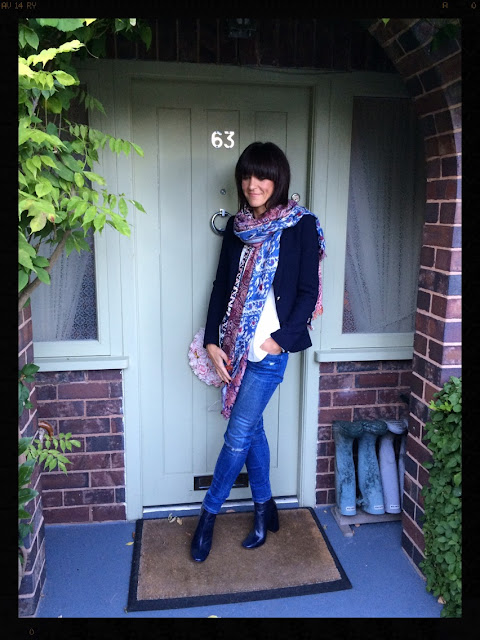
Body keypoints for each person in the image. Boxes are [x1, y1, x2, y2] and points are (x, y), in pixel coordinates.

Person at [191, 141, 325, 562]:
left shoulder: (301, 226)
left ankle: (207, 516)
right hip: (233, 344)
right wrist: (213, 340)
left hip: (269, 351)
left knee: (236, 435)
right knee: (253, 430)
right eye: (247, 176)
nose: (253, 184)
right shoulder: (237, 227)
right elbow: (219, 285)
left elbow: (308, 292)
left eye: (262, 176)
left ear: (278, 180)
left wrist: (278, 341)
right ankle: (266, 508)